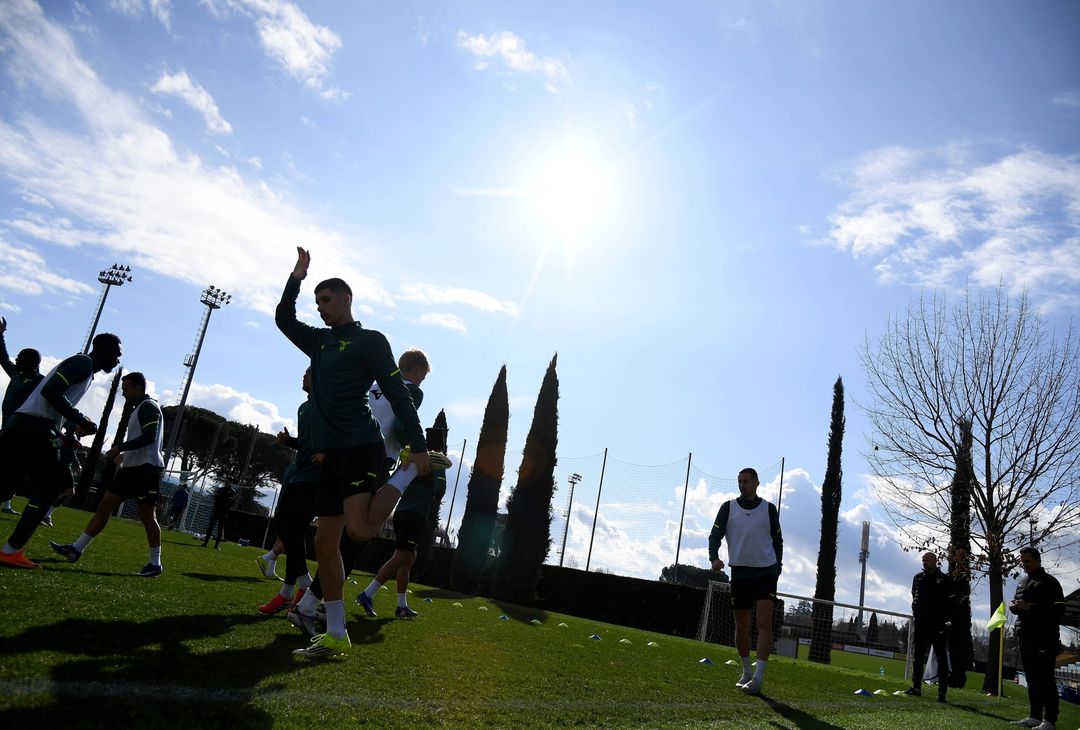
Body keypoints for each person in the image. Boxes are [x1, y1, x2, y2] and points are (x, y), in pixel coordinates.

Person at [275, 246, 435, 658]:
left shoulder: (369, 340)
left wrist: (418, 449)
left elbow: (400, 394)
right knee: (326, 543)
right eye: (317, 301)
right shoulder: (320, 342)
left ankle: (408, 474)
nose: (321, 307)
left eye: (326, 300)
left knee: (360, 531)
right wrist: (297, 279)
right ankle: (335, 632)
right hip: (332, 453)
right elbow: (283, 319)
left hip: (362, 447)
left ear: (346, 299)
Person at [0, 332, 121, 569]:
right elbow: (51, 392)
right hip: (35, 429)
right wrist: (80, 418)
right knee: (49, 490)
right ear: (103, 349)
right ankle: (11, 551)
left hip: (24, 427)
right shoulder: (83, 363)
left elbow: (51, 400)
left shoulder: (85, 368)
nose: (118, 359)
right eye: (116, 353)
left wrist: (70, 426)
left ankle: (11, 551)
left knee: (6, 487)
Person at [48, 372, 166, 577]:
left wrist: (119, 448)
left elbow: (149, 437)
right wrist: (126, 456)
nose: (123, 393)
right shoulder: (139, 408)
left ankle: (155, 563)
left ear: (139, 387)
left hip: (147, 470)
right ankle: (76, 549)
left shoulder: (148, 407)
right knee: (105, 506)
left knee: (147, 515)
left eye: (127, 388)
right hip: (132, 469)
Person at [358, 427, 447, 620]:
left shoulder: (412, 458)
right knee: (400, 557)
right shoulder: (437, 463)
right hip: (415, 516)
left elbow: (395, 480)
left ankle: (401, 606)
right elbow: (440, 491)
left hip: (400, 512)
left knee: (409, 558)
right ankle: (367, 594)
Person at [708, 467, 783, 695]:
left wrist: (777, 568)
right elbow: (715, 535)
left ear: (757, 483)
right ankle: (746, 670)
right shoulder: (727, 507)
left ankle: (758, 677)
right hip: (739, 573)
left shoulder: (768, 509)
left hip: (765, 573)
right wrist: (714, 557)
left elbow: (778, 540)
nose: (742, 485)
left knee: (763, 624)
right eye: (739, 481)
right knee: (741, 627)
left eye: (747, 481)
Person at [256, 368, 319, 614]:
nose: (303, 377)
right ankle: (303, 585)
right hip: (298, 474)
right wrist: (289, 441)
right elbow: (306, 442)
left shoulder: (327, 405)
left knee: (293, 531)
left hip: (315, 478)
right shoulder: (304, 408)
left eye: (309, 374)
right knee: (284, 528)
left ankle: (288, 593)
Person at [1009, 546, 1065, 730]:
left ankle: (1049, 721)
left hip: (1044, 638)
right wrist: (1014, 606)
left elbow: (1058, 610)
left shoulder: (1050, 582)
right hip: (1024, 635)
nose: (1024, 565)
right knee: (1031, 678)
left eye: (1028, 561)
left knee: (1045, 679)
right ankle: (1034, 716)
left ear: (1038, 560)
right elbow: (1019, 606)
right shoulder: (1023, 582)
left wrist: (1031, 606)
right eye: (1022, 561)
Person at [0, 317, 43, 515]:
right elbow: (2, 357)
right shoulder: (17, 373)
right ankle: (5, 503)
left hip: (22, 432)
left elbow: (52, 403)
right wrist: (0, 335)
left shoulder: (38, 381)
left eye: (20, 357)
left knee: (13, 469)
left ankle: (6, 501)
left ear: (30, 361)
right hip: (7, 427)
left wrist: (71, 426)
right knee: (8, 468)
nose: (16, 360)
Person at [905, 551, 957, 701]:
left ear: (935, 561)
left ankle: (942, 693)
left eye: (927, 560)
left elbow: (951, 602)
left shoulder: (944, 580)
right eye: (923, 560)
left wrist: (946, 620)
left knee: (941, 658)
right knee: (918, 656)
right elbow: (914, 595)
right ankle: (916, 687)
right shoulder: (918, 578)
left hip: (938, 625)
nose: (924, 562)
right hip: (920, 623)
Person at [202, 483, 236, 549]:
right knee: (210, 527)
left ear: (231, 482)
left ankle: (216, 545)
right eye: (226, 480)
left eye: (228, 481)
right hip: (216, 511)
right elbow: (216, 498)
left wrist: (221, 497)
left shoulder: (232, 491)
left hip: (224, 513)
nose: (226, 482)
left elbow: (230, 502)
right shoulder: (220, 489)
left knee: (220, 530)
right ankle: (205, 543)